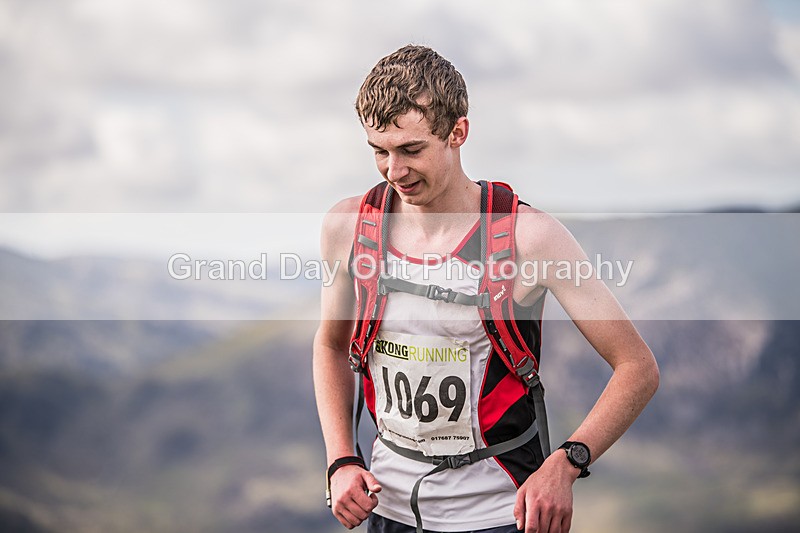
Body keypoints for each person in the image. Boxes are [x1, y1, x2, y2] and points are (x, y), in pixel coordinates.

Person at [313, 44, 659, 533]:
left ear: (458, 132)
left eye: (412, 150)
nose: (395, 171)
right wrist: (340, 459)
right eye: (379, 151)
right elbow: (331, 346)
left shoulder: (530, 237)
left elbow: (637, 367)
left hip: (501, 514)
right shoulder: (348, 226)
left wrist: (566, 465)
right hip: (387, 509)